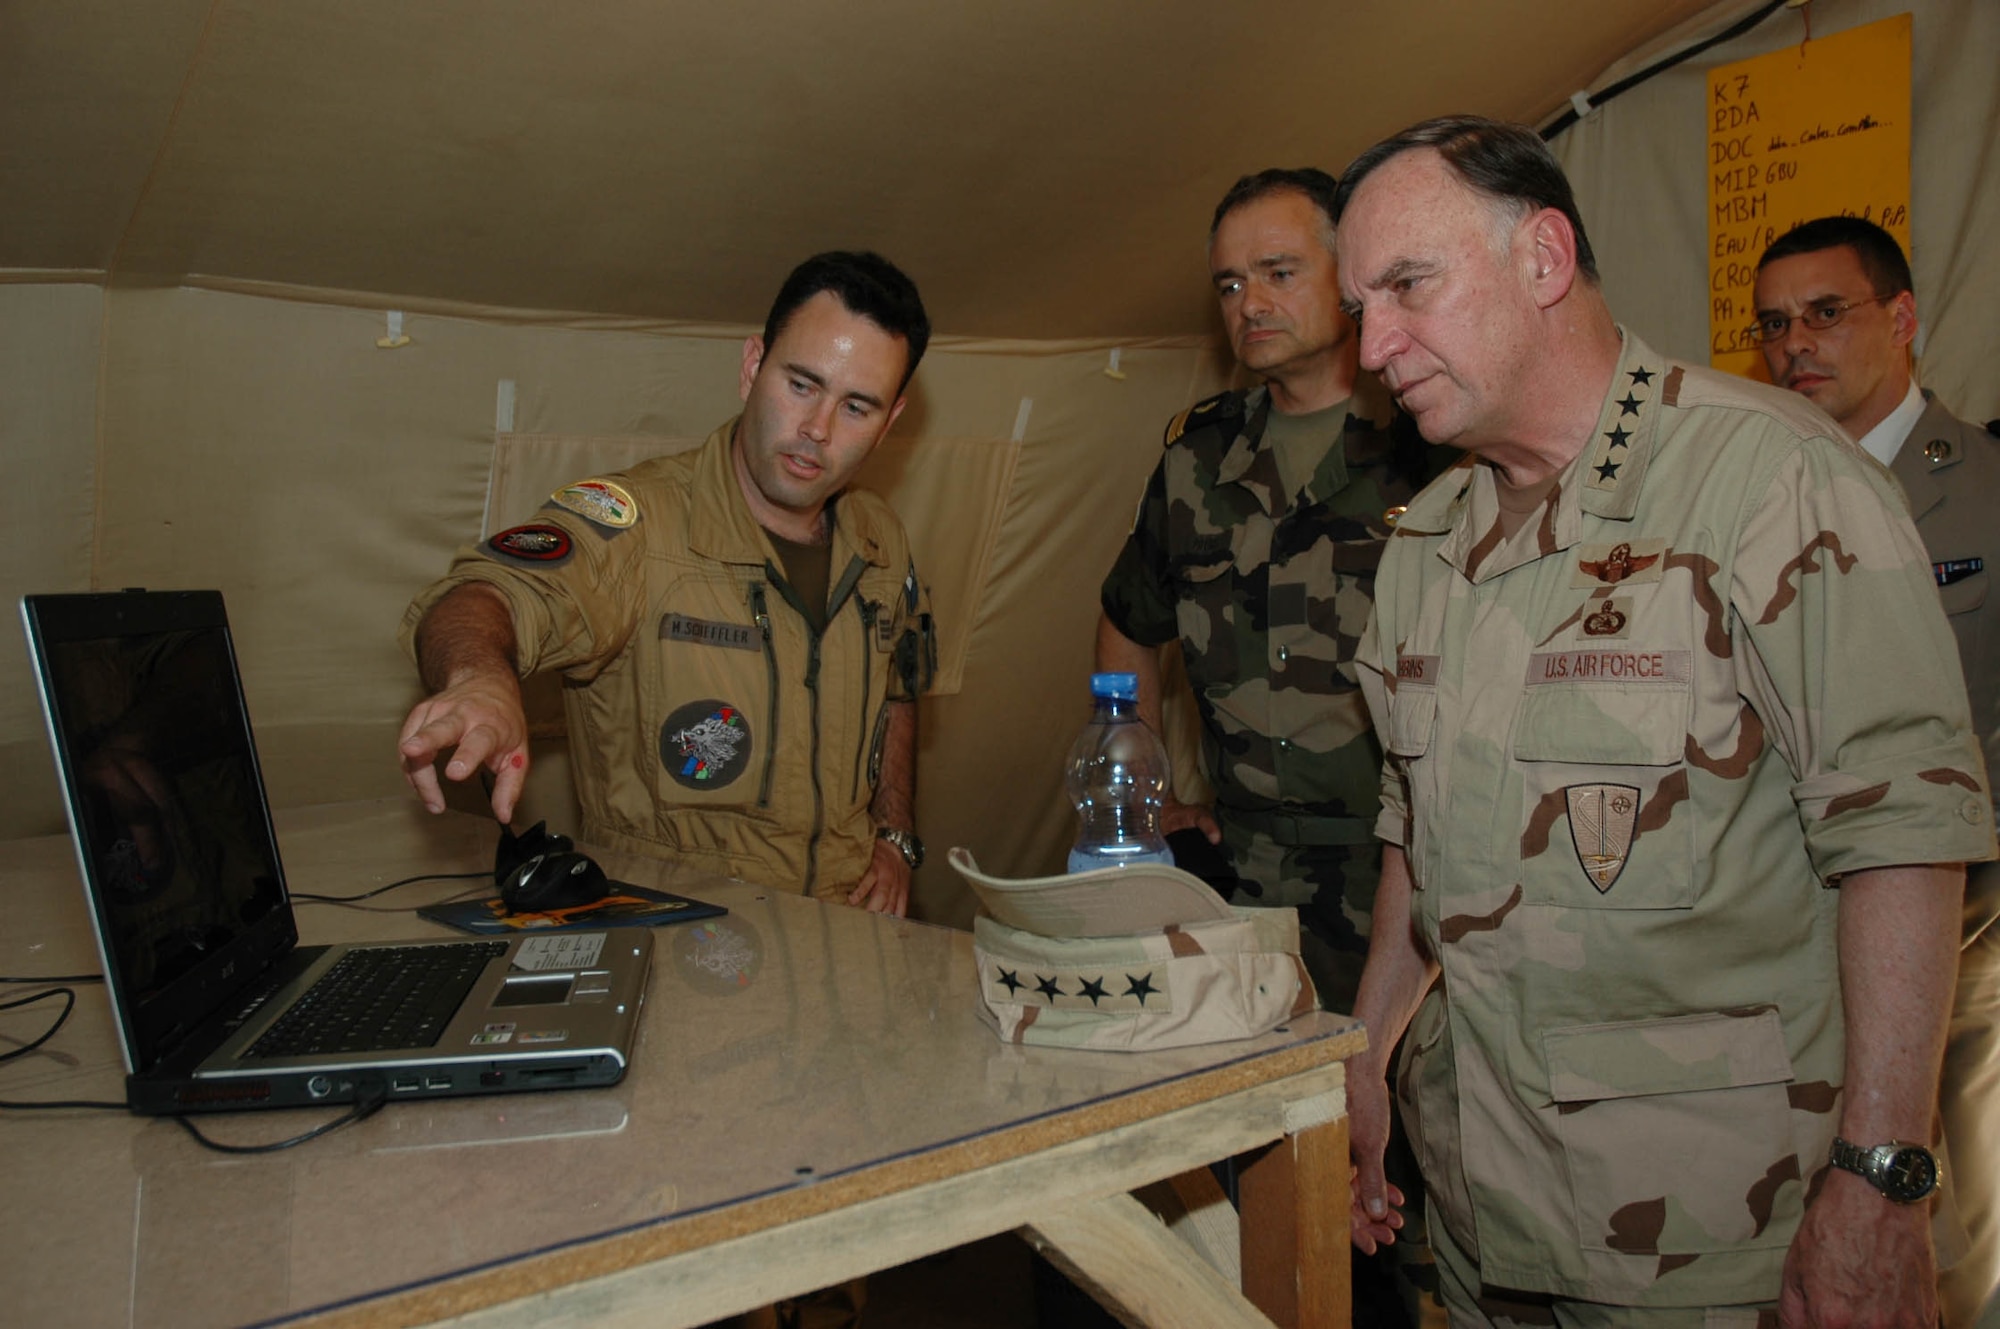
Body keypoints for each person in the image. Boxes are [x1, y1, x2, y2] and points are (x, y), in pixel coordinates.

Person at [1335, 116, 1994, 1324]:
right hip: (1482, 1209)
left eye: (1404, 287)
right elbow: (1409, 831)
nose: (1372, 344)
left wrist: (1880, 1181)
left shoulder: (1768, 479)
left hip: (1720, 1234)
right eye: (1357, 306)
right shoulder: (1424, 541)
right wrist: (1368, 1055)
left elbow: (1901, 834)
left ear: (1541, 258)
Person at [397, 251, 936, 916]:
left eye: (856, 406)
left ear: (890, 421)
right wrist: (479, 674)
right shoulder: (639, 527)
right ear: (750, 367)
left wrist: (895, 837)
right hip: (683, 932)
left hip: (846, 926)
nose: (817, 431)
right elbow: (487, 592)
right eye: (801, 384)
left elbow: (899, 687)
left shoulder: (880, 541)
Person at [1095, 167, 1442, 1015]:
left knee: (1412, 1131)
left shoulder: (1431, 443)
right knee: (1269, 1131)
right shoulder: (1198, 462)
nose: (1249, 301)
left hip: (1410, 881)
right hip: (1247, 884)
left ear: (1350, 273)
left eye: (1279, 273)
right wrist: (1149, 796)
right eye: (1230, 283)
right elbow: (1126, 617)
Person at [1754, 215, 2000, 1325]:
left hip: (1961, 925)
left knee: (1943, 1208)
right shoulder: (1760, 498)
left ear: (1899, 320)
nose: (1792, 344)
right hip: (1789, 917)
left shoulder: (1983, 489)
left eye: (1823, 313)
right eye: (1770, 325)